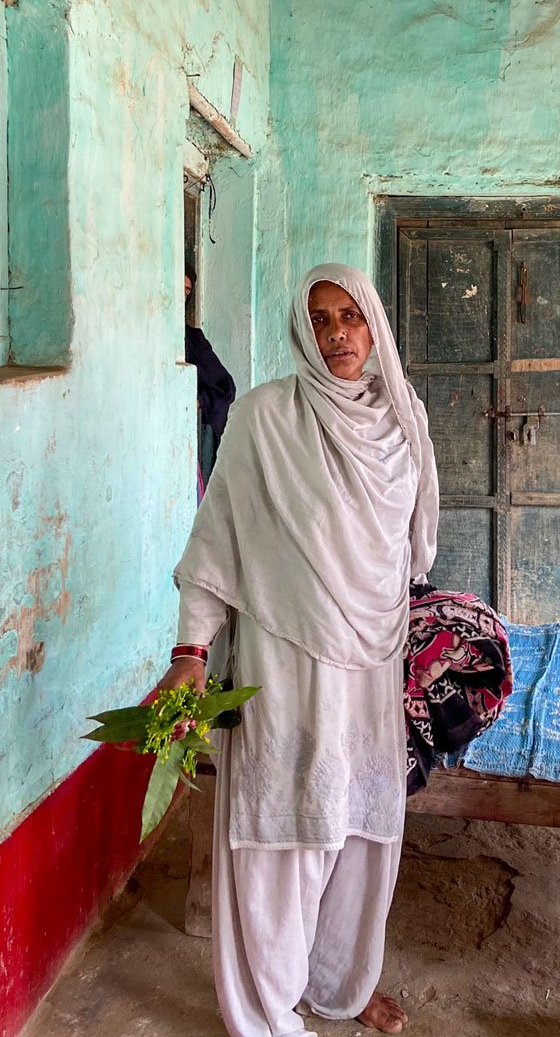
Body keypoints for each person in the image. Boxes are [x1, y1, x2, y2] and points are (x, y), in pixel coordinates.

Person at [160, 264, 439, 1036]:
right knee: (282, 832)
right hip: (282, 662)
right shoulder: (262, 421)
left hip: (372, 658)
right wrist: (190, 652)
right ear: (301, 331)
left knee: (360, 830)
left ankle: (341, 989)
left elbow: (413, 551)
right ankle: (266, 1011)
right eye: (320, 320)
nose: (338, 333)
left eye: (351, 316)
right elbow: (215, 546)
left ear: (374, 325)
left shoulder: (402, 419)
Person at [183, 266, 237, 491]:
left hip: (189, 437)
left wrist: (199, 401)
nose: (182, 296)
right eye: (177, 289)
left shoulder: (192, 339)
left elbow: (226, 387)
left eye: (187, 291)